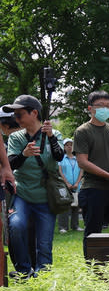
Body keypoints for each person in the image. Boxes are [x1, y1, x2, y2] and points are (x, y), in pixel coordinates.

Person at [3, 94, 64, 276]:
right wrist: (24, 154)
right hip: (22, 194)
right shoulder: (16, 137)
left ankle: (43, 275)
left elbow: (59, 156)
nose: (16, 119)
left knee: (44, 243)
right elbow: (11, 163)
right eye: (15, 115)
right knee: (16, 226)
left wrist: (51, 136)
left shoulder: (55, 135)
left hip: (46, 196)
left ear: (34, 113)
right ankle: (23, 271)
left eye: (19, 114)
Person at [73, 90, 109, 258]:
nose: (105, 109)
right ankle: (93, 268)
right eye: (100, 106)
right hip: (93, 189)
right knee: (93, 232)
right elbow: (82, 162)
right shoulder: (83, 131)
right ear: (90, 108)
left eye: (108, 106)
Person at [56, 138, 83, 233]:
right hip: (64, 186)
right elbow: (60, 171)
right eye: (67, 145)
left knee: (76, 205)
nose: (69, 147)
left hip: (76, 186)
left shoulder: (77, 158)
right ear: (64, 147)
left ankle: (75, 226)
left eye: (71, 145)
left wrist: (77, 183)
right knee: (64, 206)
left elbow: (81, 171)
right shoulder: (61, 158)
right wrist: (66, 183)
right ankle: (63, 227)